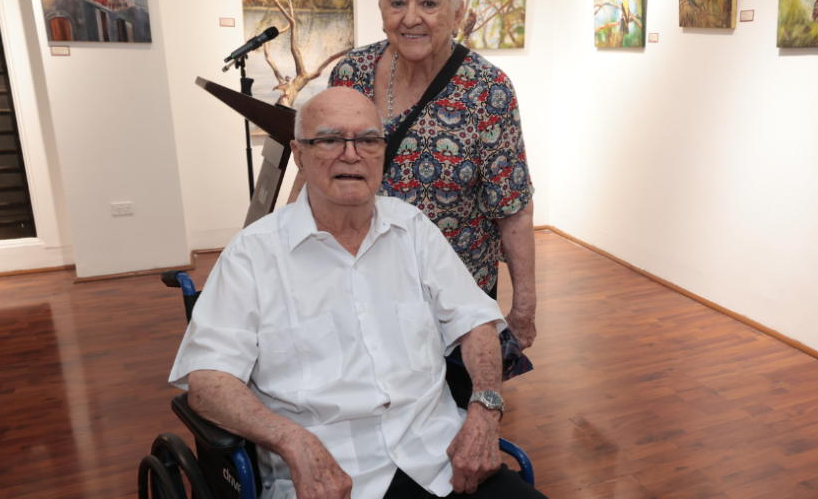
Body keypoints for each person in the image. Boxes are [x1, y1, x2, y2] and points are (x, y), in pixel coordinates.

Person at [170, 88, 544, 499]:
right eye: (329, 140)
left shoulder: (413, 230)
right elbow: (207, 381)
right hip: (328, 478)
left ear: (383, 151)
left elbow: (476, 324)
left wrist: (485, 410)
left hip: (440, 459)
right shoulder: (251, 255)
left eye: (367, 140)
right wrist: (291, 439)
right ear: (298, 153)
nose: (351, 155)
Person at [287, 0, 537, 406]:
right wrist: (288, 240)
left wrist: (523, 304)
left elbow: (514, 207)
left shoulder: (489, 91)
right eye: (397, 2)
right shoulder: (353, 72)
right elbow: (315, 163)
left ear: (458, 11)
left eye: (428, 2)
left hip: (451, 301)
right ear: (381, 8)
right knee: (363, 403)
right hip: (358, 283)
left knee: (452, 417)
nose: (411, 17)